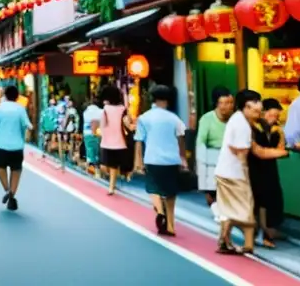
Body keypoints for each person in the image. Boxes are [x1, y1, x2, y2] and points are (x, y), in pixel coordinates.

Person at [215, 89, 284, 255]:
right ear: (245, 107)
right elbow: (242, 152)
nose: (258, 114)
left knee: (234, 210)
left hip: (228, 172)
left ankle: (233, 242)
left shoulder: (242, 122)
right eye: (255, 111)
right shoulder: (242, 125)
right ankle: (233, 242)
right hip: (234, 174)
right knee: (244, 210)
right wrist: (246, 175)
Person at [133, 85, 187, 237]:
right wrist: (183, 158)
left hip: (152, 158)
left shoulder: (144, 118)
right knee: (170, 193)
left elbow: (138, 140)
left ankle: (160, 211)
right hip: (172, 159)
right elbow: (181, 138)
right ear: (168, 100)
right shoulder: (174, 118)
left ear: (153, 99)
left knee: (153, 189)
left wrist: (138, 162)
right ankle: (170, 226)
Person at [0, 84, 32, 211]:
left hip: (1, 145)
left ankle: (7, 190)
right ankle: (12, 195)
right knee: (16, 171)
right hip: (17, 146)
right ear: (17, 97)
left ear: (5, 95)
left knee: (1, 168)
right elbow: (29, 125)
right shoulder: (20, 109)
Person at [249, 98, 285, 248]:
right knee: (257, 200)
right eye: (271, 115)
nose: (274, 118)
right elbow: (256, 150)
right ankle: (256, 232)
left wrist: (275, 152)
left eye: (276, 116)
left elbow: (281, 147)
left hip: (270, 167)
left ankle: (268, 232)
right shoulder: (253, 127)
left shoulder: (278, 129)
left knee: (272, 198)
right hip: (255, 166)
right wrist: (273, 152)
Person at [195, 87, 234, 213]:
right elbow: (200, 143)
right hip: (212, 159)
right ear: (217, 104)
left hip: (232, 160)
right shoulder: (207, 119)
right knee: (214, 197)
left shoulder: (235, 119)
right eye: (224, 103)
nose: (228, 106)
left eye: (230, 103)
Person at [100, 85, 132, 196]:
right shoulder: (123, 108)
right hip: (121, 141)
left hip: (107, 141)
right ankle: (113, 185)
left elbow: (102, 125)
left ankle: (111, 186)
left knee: (108, 165)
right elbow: (128, 122)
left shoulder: (105, 109)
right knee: (115, 166)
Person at [82, 98, 104, 174]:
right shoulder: (102, 112)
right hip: (98, 134)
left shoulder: (85, 112)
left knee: (89, 152)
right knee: (98, 152)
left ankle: (90, 169)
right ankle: (97, 170)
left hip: (87, 135)